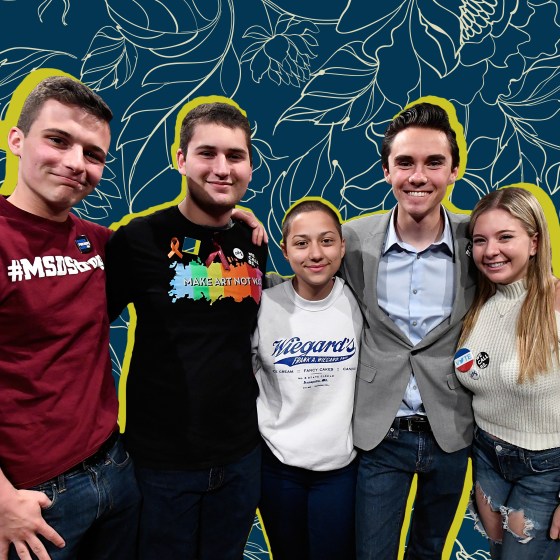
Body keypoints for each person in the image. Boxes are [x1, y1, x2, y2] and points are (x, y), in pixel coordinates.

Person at [105, 101, 268, 560]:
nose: (222, 168)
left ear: (250, 167)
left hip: (240, 456)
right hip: (161, 465)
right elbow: (83, 329)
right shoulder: (137, 239)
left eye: (235, 156)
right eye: (207, 154)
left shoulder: (253, 241)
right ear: (181, 159)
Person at [0, 76, 140, 560]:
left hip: (116, 469)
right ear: (17, 140)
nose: (76, 163)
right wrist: (2, 500)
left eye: (94, 154)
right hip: (32, 500)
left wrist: (238, 221)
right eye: (58, 140)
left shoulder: (101, 243)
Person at [340, 102, 477, 559]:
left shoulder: (477, 239)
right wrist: (239, 229)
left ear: (454, 170)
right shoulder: (352, 238)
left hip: (451, 430)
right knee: (371, 552)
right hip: (381, 433)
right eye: (405, 163)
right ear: (386, 171)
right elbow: (304, 282)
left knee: (429, 549)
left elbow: (522, 280)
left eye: (433, 162)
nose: (418, 176)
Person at [253, 198, 362, 560]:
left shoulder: (359, 304)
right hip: (277, 467)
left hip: (340, 470)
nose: (315, 253)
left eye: (327, 241)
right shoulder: (263, 305)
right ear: (284, 250)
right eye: (301, 243)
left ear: (342, 246)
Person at [455, 186, 560, 559]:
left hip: (545, 470)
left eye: (505, 237)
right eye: (480, 240)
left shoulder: (557, 304)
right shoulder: (478, 304)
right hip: (487, 459)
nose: (490, 251)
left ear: (534, 242)